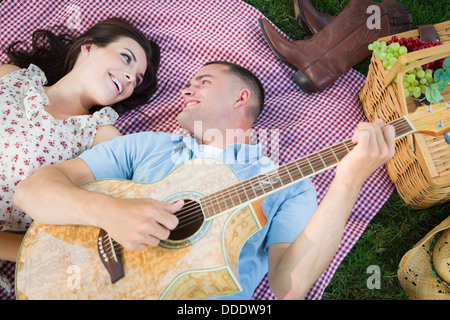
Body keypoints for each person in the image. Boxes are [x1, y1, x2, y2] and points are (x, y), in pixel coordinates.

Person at [15, 61, 395, 300]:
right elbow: (32, 192)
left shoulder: (288, 183)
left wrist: (349, 180)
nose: (185, 89)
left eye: (203, 81)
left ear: (240, 97)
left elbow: (288, 287)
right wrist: (110, 212)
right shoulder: (147, 146)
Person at [0, 17, 160, 298]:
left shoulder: (101, 137)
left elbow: (69, 236)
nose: (128, 78)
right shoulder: (11, 76)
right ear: (88, 47)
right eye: (126, 58)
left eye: (136, 79)